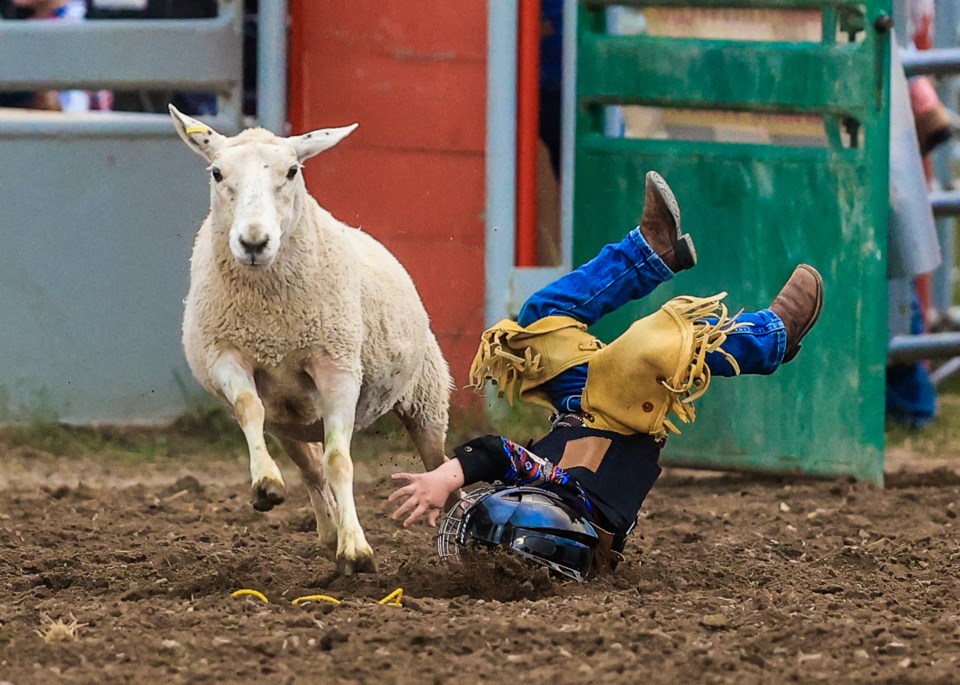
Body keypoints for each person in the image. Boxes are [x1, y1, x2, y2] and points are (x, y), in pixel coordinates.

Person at [389, 172, 824, 580]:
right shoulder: (568, 498)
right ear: (539, 515)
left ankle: (651, 253)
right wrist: (442, 478)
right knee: (648, 349)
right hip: (619, 413)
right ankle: (772, 338)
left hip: (575, 408)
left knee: (538, 323)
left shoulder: (572, 521)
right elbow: (497, 452)